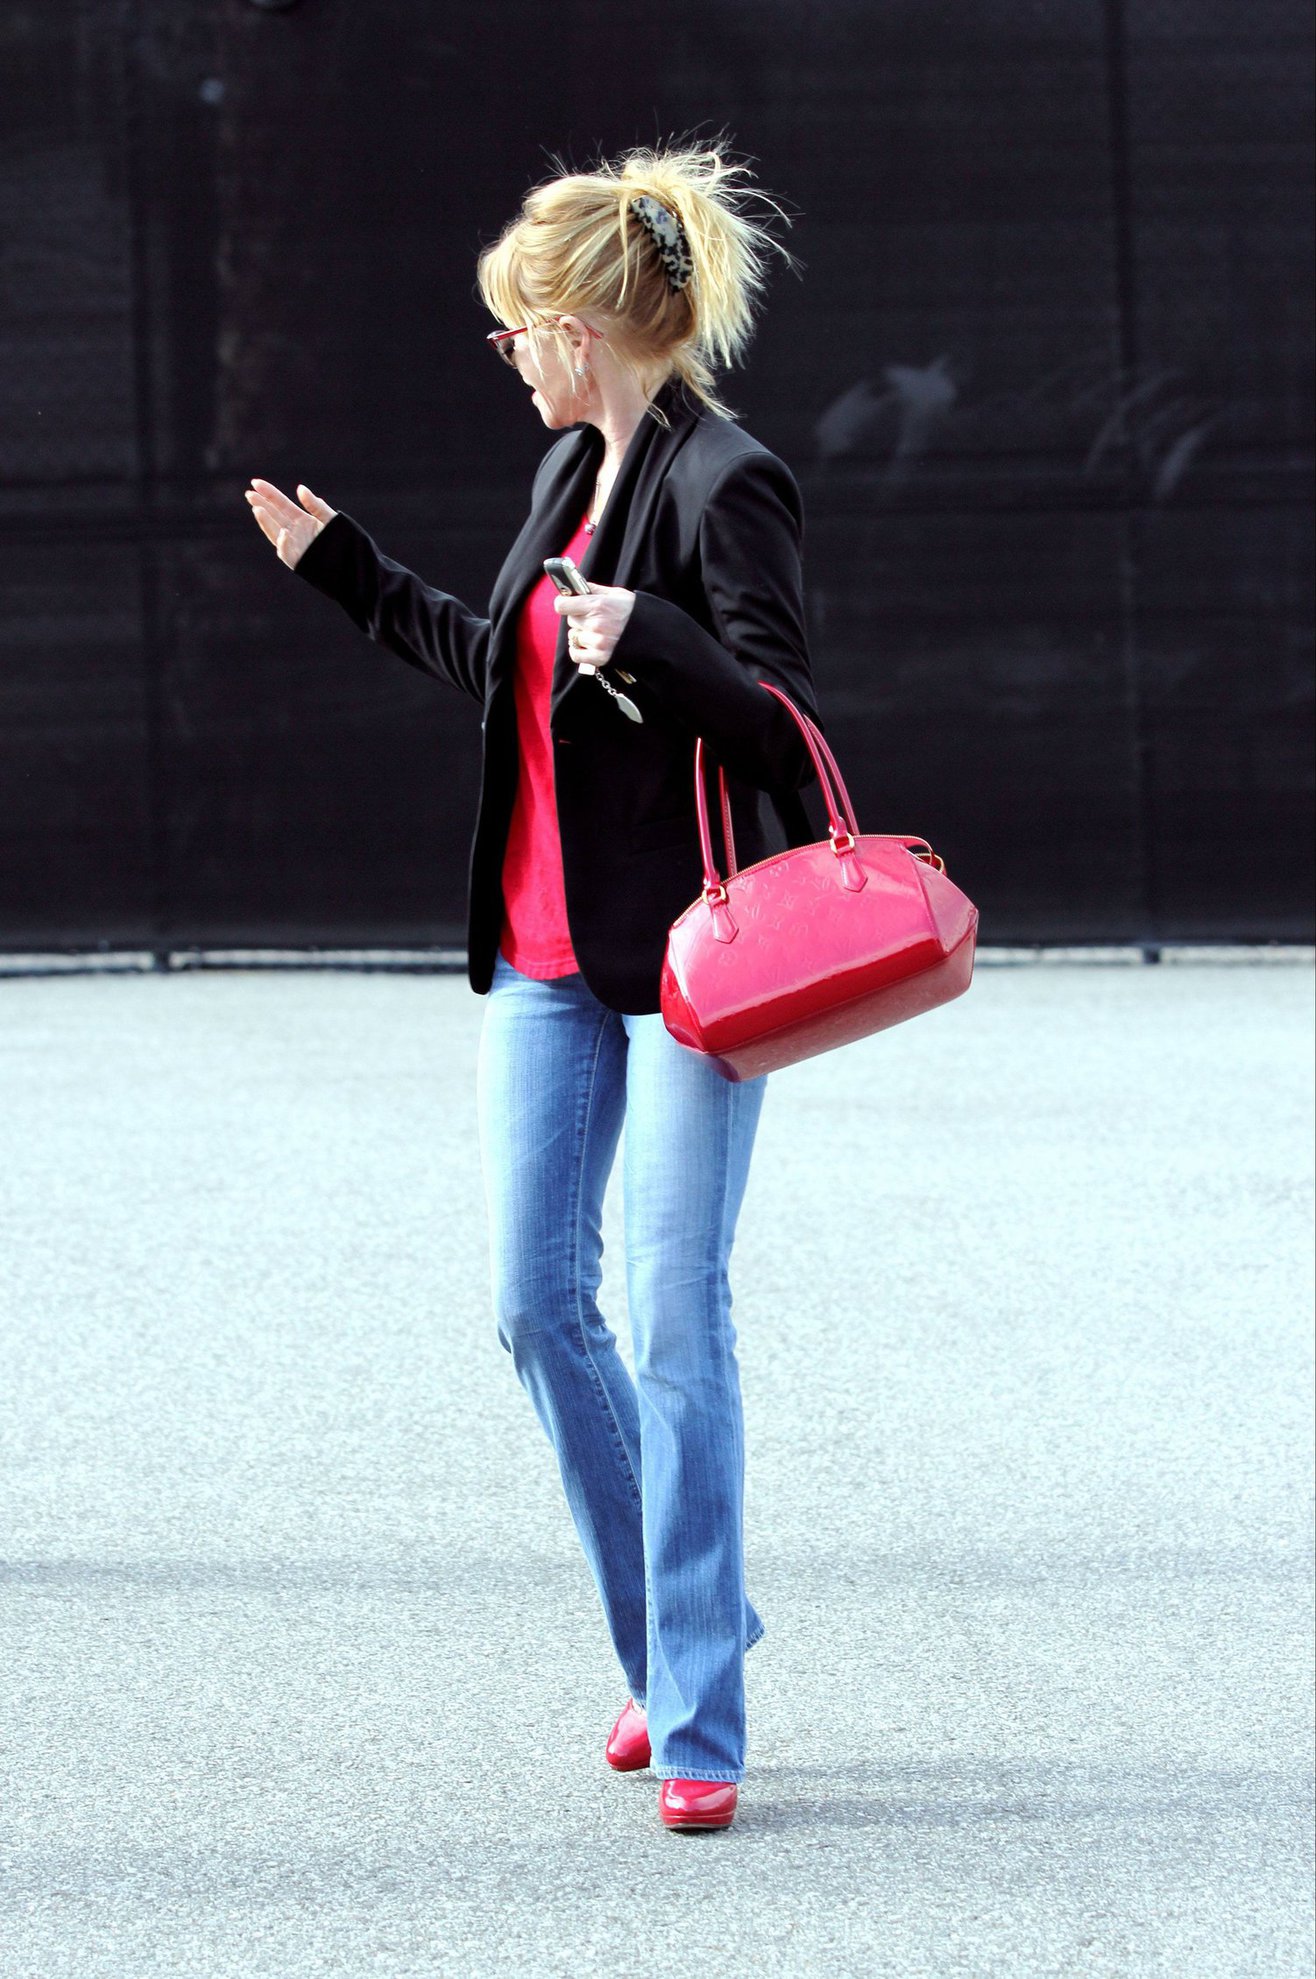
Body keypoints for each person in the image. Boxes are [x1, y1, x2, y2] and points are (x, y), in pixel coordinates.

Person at [245, 141, 824, 1834]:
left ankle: (701, 1714)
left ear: (583, 323)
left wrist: (651, 637)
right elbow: (500, 668)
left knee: (675, 1325)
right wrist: (350, 573)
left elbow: (785, 727)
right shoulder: (564, 476)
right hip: (544, 964)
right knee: (532, 1306)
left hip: (687, 962)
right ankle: (674, 1640)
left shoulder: (730, 484)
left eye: (519, 331)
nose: (511, 360)